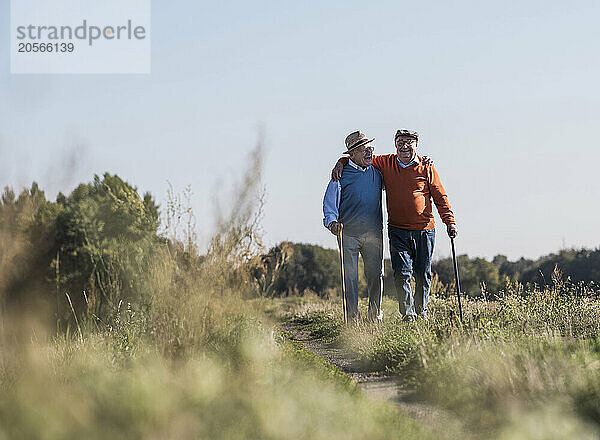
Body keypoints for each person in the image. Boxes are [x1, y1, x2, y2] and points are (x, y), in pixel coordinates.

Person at [332, 129, 457, 321]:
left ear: (416, 145)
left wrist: (450, 222)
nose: (404, 145)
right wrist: (340, 162)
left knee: (423, 274)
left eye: (409, 141)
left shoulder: (426, 167)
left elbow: (440, 197)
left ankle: (421, 312)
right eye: (400, 141)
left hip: (425, 229)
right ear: (395, 144)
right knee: (402, 274)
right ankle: (408, 314)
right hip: (397, 229)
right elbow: (357, 159)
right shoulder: (385, 163)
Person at [323, 130, 384, 323]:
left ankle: (375, 317)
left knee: (376, 275)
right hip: (347, 233)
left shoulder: (378, 173)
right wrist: (332, 223)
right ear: (352, 154)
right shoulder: (340, 176)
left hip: (373, 233)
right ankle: (352, 319)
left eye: (370, 149)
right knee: (349, 278)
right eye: (364, 150)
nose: (369, 153)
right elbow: (329, 205)